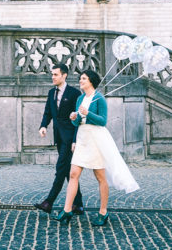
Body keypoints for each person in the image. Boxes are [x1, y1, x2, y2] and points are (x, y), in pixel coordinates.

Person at [55, 70, 139, 226]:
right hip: (82, 138)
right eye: (80, 78)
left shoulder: (99, 98)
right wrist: (74, 119)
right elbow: (78, 123)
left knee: (100, 177)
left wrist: (88, 114)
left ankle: (103, 211)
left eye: (84, 78)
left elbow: (102, 121)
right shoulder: (80, 98)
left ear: (91, 81)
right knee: (73, 173)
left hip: (96, 139)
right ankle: (67, 210)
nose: (80, 81)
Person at [34, 63, 84, 216]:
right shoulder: (51, 93)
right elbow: (47, 112)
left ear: (64, 75)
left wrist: (75, 139)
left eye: (56, 74)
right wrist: (43, 126)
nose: (53, 77)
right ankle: (79, 204)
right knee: (68, 170)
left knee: (60, 169)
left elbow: (79, 119)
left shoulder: (74, 93)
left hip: (70, 139)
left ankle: (49, 202)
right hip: (59, 137)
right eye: (52, 74)